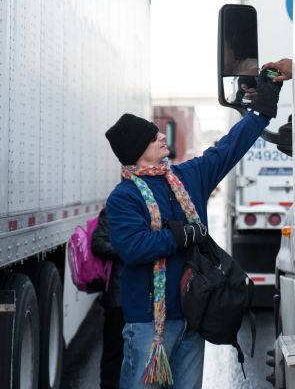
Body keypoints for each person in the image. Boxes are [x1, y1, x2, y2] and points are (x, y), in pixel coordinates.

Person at [104, 75, 281, 388]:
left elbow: (228, 149)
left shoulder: (187, 177)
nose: (161, 135)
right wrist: (180, 235)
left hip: (192, 317)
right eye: (151, 136)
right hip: (149, 326)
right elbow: (132, 247)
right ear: (136, 150)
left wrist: (262, 109)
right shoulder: (125, 197)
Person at [90, 207, 124, 389]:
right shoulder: (116, 207)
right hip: (118, 297)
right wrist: (128, 251)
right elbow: (98, 242)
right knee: (113, 353)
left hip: (143, 299)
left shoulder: (151, 207)